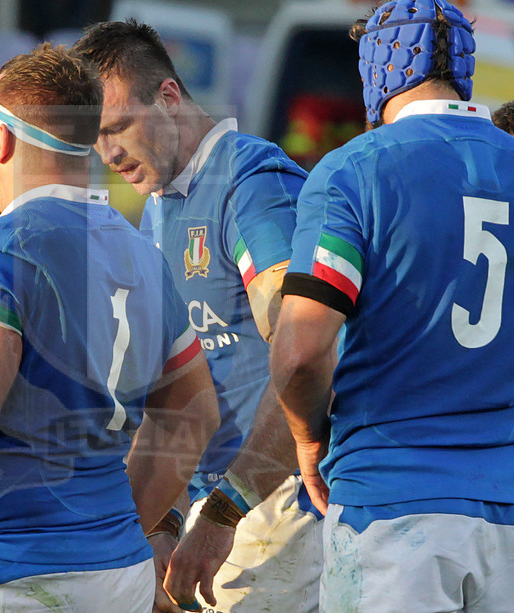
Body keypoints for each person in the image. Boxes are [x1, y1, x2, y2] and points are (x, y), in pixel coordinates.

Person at [0, 44, 221, 613]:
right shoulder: (143, 254)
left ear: (0, 138)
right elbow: (193, 414)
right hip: (117, 574)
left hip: (6, 575)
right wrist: (116, 527)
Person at [271, 1, 514, 611]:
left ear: (377, 68)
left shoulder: (352, 171)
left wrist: (309, 440)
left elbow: (300, 354)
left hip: (394, 507)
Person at [74, 21, 322, 612]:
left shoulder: (251, 184)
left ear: (167, 96)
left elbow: (307, 357)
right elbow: (172, 393)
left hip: (277, 509)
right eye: (94, 139)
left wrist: (224, 509)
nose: (107, 152)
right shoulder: (157, 210)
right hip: (217, 514)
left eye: (116, 128)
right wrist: (166, 518)